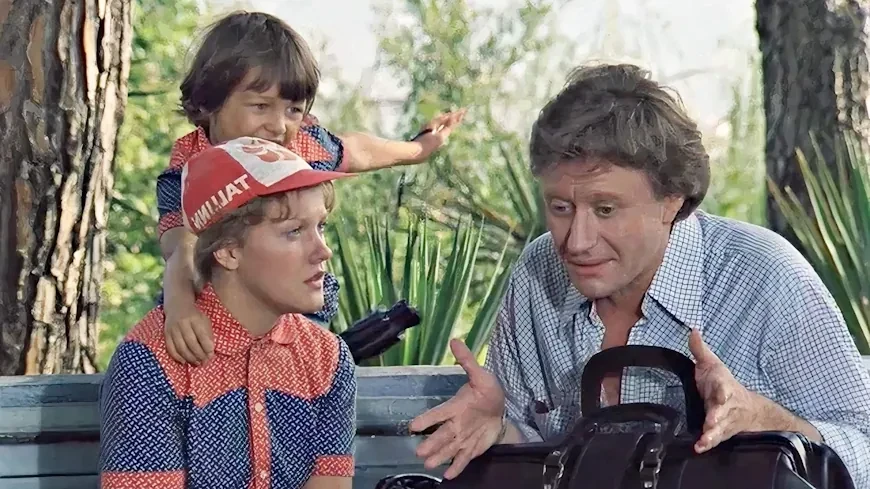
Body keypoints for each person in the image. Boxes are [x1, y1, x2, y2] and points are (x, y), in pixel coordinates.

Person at [408, 63, 870, 487]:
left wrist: (770, 423)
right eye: (561, 207)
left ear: (672, 201)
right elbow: (537, 459)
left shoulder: (765, 277)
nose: (577, 242)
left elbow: (864, 446)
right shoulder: (536, 272)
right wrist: (499, 431)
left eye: (606, 209)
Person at [156, 10, 465, 365]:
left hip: (298, 307)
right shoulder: (192, 164)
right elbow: (180, 243)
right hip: (216, 311)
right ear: (209, 102)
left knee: (300, 374)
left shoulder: (301, 145)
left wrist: (419, 150)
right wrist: (179, 305)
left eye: (293, 110)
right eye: (260, 106)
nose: (278, 126)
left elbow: (358, 150)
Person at [100, 137, 357, 489]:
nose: (323, 251)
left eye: (321, 226)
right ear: (228, 252)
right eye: (294, 231)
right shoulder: (151, 362)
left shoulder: (328, 358)